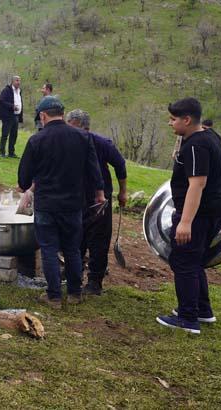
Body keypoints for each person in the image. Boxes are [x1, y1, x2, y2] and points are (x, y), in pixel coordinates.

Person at [18, 96, 104, 309]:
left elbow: (24, 178)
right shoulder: (82, 137)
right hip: (73, 204)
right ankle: (75, 293)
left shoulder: (37, 140)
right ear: (63, 114)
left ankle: (54, 296)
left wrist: (26, 187)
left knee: (48, 249)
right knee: (72, 248)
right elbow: (94, 169)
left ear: (43, 116)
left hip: (47, 205)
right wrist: (99, 193)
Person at [156, 98, 221, 335]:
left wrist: (185, 222)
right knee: (195, 262)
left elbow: (197, 184)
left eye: (173, 119)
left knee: (184, 262)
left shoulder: (196, 146)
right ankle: (202, 310)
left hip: (198, 216)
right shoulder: (210, 136)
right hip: (213, 211)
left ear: (187, 120)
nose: (170, 123)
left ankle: (187, 318)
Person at [66, 109, 127, 296]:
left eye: (72, 127)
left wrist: (123, 192)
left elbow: (120, 164)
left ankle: (95, 281)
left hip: (99, 199)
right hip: (75, 197)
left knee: (98, 240)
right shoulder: (67, 143)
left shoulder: (101, 143)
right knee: (76, 237)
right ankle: (73, 274)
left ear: (84, 127)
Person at [0, 75, 23, 158]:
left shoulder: (19, 91)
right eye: (17, 80)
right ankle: (2, 152)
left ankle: (11, 152)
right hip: (8, 115)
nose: (18, 82)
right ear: (12, 81)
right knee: (5, 134)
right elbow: (2, 101)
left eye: (19, 80)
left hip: (16, 115)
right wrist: (12, 106)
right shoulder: (7, 90)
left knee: (14, 135)